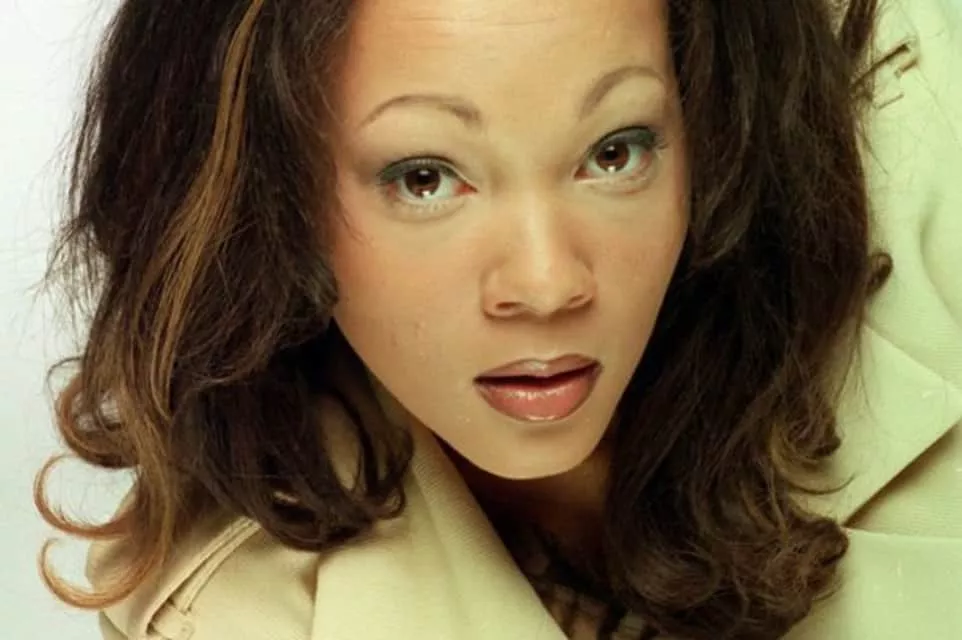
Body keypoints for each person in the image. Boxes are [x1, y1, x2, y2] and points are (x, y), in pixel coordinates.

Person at [33, 0, 961, 637]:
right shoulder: (227, 613)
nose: (547, 285)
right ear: (268, 199)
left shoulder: (935, 140)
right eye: (424, 178)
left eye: (616, 152)